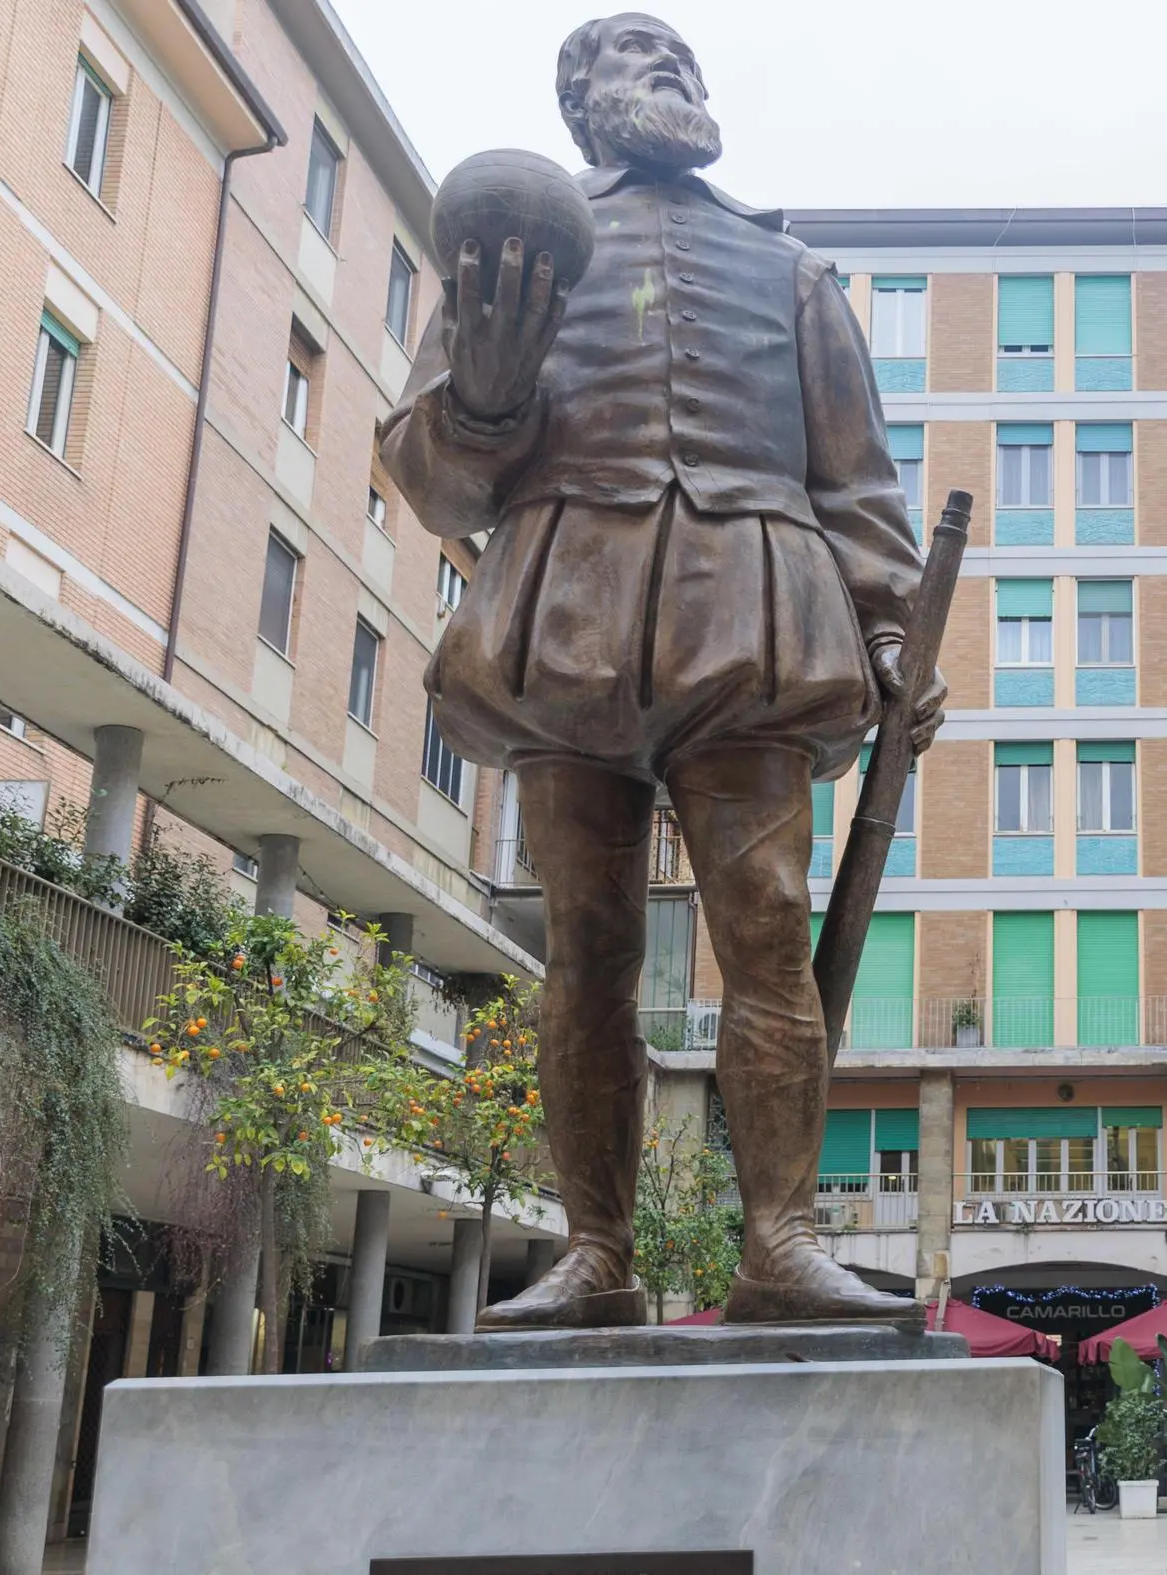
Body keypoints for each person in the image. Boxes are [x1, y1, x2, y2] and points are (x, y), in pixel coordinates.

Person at [380, 13, 943, 1325]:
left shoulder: (791, 269)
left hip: (751, 618)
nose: (670, 71)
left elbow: (857, 489)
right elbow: (426, 475)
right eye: (634, 59)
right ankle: (595, 1250)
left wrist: (891, 637)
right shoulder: (514, 241)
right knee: (587, 945)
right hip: (567, 616)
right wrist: (485, 395)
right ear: (581, 107)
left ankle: (781, 1241)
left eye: (680, 57)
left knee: (766, 937)